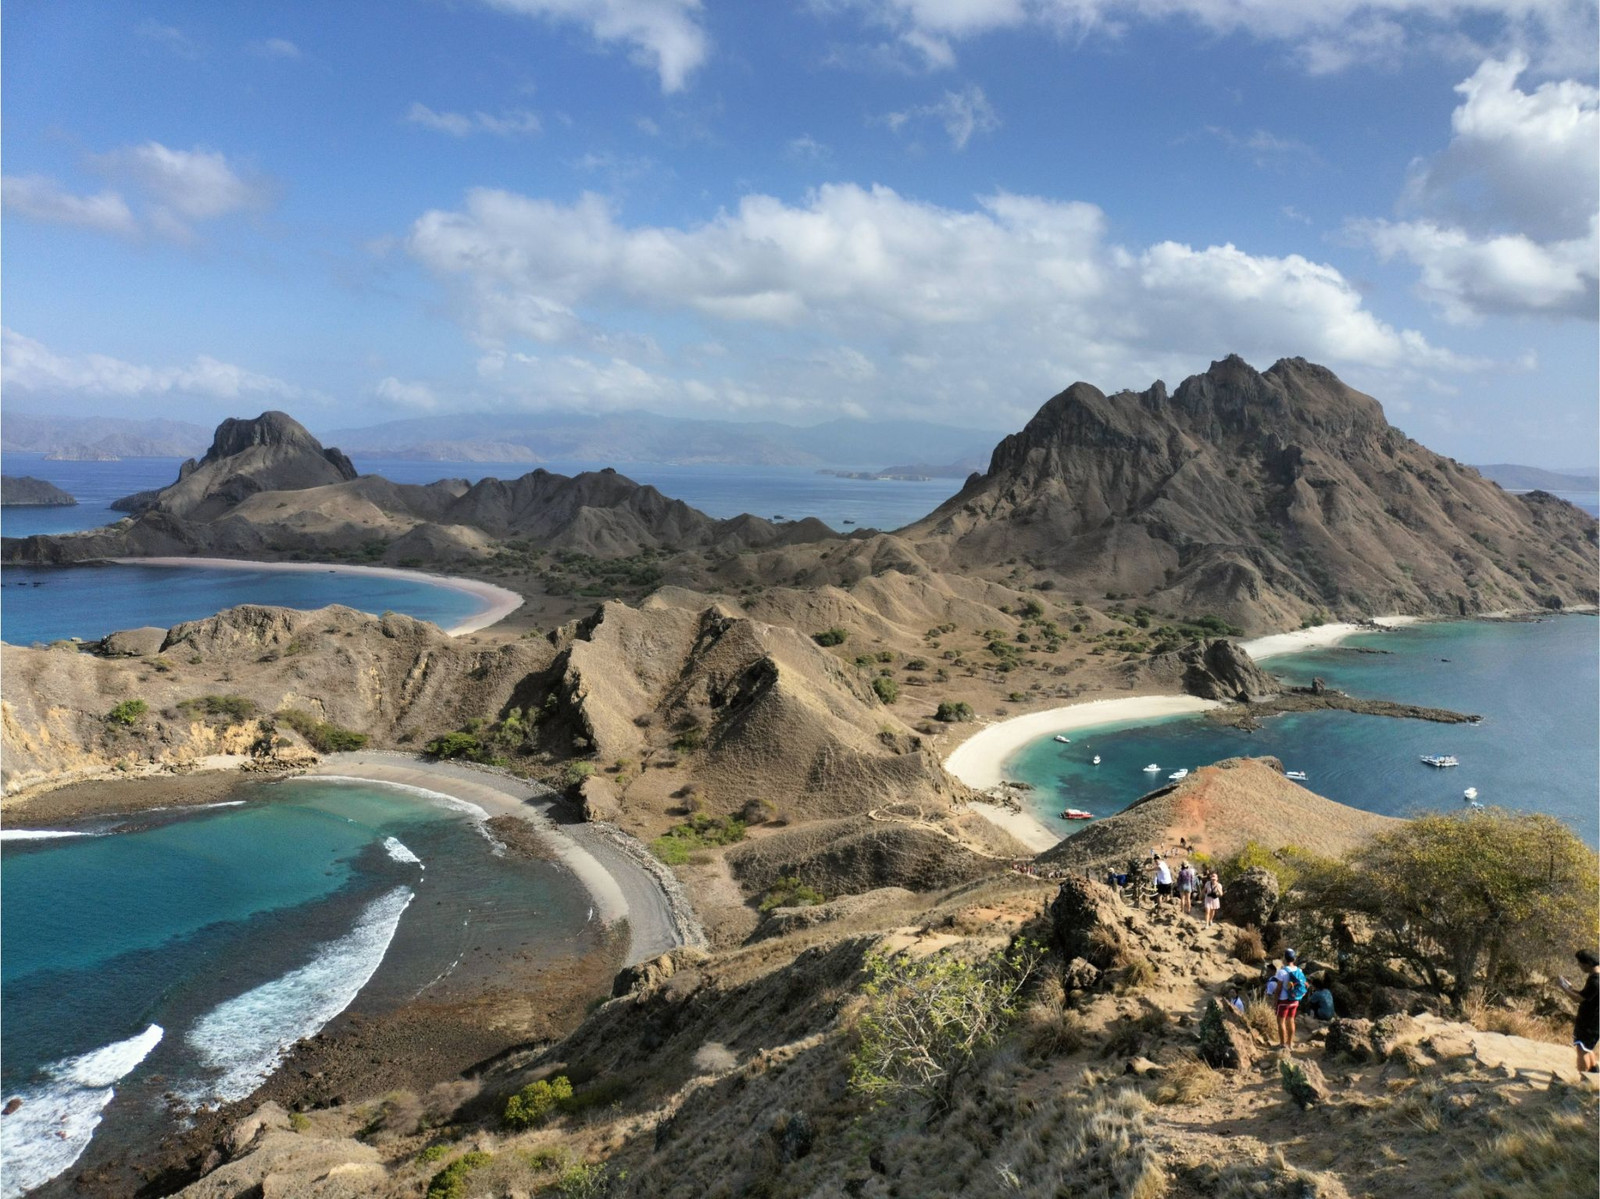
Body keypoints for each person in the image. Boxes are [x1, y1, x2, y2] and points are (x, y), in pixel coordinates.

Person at [1558, 948, 1600, 1073]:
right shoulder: (1595, 978)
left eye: (1580, 963)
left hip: (1590, 1022)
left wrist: (1563, 988)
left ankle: (1584, 1082)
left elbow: (1577, 999)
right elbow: (1585, 995)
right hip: (1593, 1021)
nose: (1579, 966)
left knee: (1581, 1051)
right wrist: (1570, 987)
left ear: (1587, 964)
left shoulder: (1596, 982)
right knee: (1587, 1048)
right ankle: (1594, 1074)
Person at [1271, 949, 1310, 1051]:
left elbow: (1279, 989)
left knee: (1281, 1022)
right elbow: (1305, 984)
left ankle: (1282, 1045)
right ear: (1294, 958)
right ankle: (1290, 1044)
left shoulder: (1282, 972)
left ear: (1285, 958)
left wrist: (1275, 1001)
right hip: (1295, 1000)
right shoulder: (1299, 970)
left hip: (1283, 1001)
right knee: (1291, 1020)